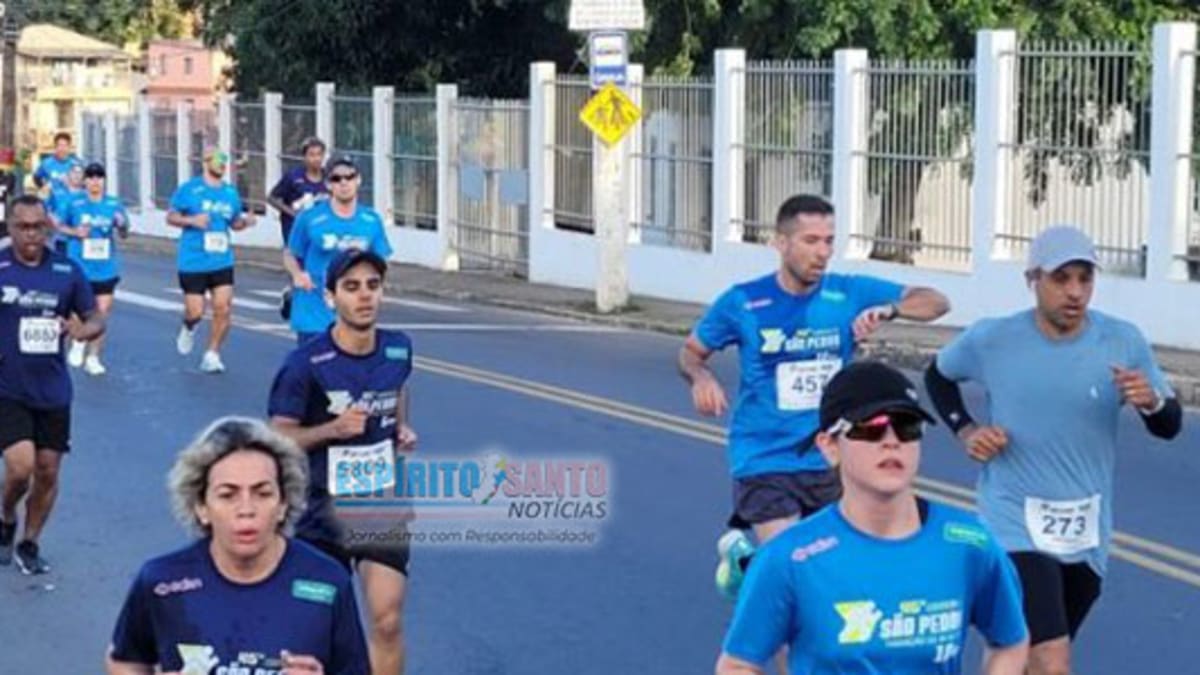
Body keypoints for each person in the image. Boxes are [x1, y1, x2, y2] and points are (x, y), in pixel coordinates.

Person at [923, 225, 1183, 675]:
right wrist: (966, 431)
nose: (1075, 292)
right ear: (1033, 279)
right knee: (1052, 658)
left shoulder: (1122, 341)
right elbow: (938, 377)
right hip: (1012, 520)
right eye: (1061, 279)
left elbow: (1169, 426)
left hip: (1085, 532)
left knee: (1021, 655)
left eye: (1085, 278)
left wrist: (1152, 402)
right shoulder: (994, 339)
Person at [677, 194, 950, 599]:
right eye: (810, 241)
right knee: (799, 584)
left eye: (828, 240)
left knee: (836, 573)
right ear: (780, 243)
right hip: (764, 458)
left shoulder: (848, 293)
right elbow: (690, 353)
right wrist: (700, 377)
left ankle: (747, 566)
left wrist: (889, 310)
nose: (822, 253)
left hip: (831, 457)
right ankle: (768, 582)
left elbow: (937, 302)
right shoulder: (744, 302)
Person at [716, 361, 1029, 675]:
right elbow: (738, 665)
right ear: (829, 446)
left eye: (907, 426)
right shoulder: (789, 558)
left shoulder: (969, 543)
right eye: (871, 427)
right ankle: (743, 569)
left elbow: (1010, 641)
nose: (891, 440)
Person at [105, 416, 370, 674]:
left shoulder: (328, 581)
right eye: (228, 495)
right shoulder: (161, 581)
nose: (246, 509)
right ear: (201, 507)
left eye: (263, 493)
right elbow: (124, 660)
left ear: (283, 504)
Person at [269, 248, 417, 675]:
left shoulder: (398, 348)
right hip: (320, 514)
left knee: (387, 621)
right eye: (351, 287)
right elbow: (278, 436)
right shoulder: (304, 364)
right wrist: (330, 431)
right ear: (331, 298)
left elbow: (399, 388)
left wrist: (401, 428)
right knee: (315, 631)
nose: (364, 296)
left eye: (373, 285)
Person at [0, 195, 105, 575]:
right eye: (22, 227)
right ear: (10, 227)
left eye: (38, 227)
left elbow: (95, 316)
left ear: (47, 228)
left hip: (53, 390)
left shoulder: (66, 270)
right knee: (20, 467)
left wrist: (82, 329)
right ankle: (6, 514)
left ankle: (29, 542)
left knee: (47, 471)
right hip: (7, 388)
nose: (31, 235)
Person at [166, 146, 257, 373]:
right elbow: (171, 216)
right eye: (218, 160)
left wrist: (246, 222)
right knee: (195, 311)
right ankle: (189, 326)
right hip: (193, 260)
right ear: (205, 162)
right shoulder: (190, 189)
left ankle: (212, 353)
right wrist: (192, 221)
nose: (223, 164)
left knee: (223, 308)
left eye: (225, 161)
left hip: (221, 259)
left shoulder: (230, 193)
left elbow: (234, 223)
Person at [284, 156, 392, 344]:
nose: (344, 183)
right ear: (328, 184)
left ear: (358, 180)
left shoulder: (371, 220)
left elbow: (381, 260)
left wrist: (376, 288)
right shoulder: (310, 218)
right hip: (314, 309)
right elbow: (290, 253)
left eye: (349, 177)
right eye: (336, 179)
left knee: (351, 369)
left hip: (352, 310)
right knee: (316, 368)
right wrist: (297, 274)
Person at [62, 163, 131, 375]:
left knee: (101, 314)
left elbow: (125, 233)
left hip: (105, 268)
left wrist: (122, 225)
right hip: (79, 266)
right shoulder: (74, 203)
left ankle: (93, 357)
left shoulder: (113, 204)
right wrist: (74, 231)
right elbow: (57, 225)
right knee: (76, 311)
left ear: (104, 181)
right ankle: (79, 342)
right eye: (90, 177)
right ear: (85, 181)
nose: (95, 182)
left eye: (99, 178)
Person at [270, 137, 329, 321]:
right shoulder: (293, 177)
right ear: (304, 157)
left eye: (319, 155)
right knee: (299, 266)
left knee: (317, 268)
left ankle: (299, 298)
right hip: (294, 229)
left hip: (318, 232)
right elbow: (272, 198)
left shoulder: (329, 179)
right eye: (311, 155)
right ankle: (297, 300)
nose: (316, 159)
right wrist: (291, 213)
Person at [48, 164, 86, 255]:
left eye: (80, 173)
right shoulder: (57, 194)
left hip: (82, 241)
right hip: (62, 239)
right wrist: (53, 219)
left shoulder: (88, 195)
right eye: (74, 172)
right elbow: (47, 210)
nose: (77, 175)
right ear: (68, 175)